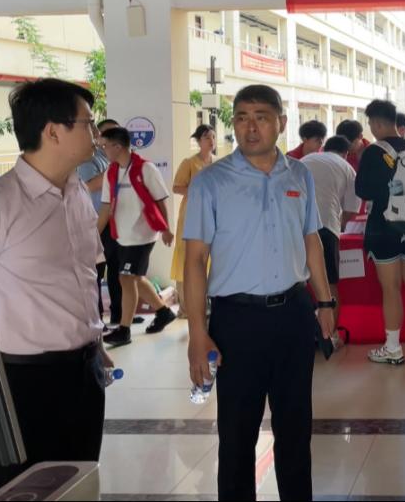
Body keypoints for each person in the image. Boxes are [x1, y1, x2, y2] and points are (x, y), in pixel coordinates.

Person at [0, 79, 112, 499]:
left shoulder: (75, 194)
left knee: (76, 484)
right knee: (14, 489)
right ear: (53, 132)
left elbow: (82, 276)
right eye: (87, 123)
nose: (96, 134)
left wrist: (94, 343)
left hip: (81, 374)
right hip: (14, 384)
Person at [183, 84, 334, 502]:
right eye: (241, 118)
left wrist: (324, 301)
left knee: (295, 430)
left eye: (261, 118)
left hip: (293, 315)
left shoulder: (299, 175)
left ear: (281, 123)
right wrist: (197, 333)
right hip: (237, 321)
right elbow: (194, 261)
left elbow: (311, 241)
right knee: (236, 436)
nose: (250, 128)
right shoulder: (211, 182)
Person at [354, 99, 405, 364]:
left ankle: (392, 348)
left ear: (377, 124)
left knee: (391, 288)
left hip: (383, 226)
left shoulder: (374, 152)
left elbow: (362, 191)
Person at [97, 126, 177, 347]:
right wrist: (94, 235)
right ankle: (163, 312)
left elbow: (160, 200)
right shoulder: (111, 172)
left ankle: (124, 330)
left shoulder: (146, 168)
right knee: (136, 278)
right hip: (122, 234)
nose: (103, 150)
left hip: (143, 234)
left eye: (105, 146)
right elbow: (105, 207)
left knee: (126, 278)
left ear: (118, 146)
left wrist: (166, 229)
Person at [301, 134, 362, 348]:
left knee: (295, 284)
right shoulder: (347, 169)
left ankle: (300, 335)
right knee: (330, 283)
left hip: (295, 226)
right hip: (326, 226)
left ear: (325, 147)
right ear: (345, 153)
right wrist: (340, 226)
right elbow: (351, 211)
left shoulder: (305, 160)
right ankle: (331, 337)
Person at [170, 124, 216, 317]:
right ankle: (186, 307)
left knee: (210, 258)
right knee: (187, 257)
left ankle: (206, 303)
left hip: (212, 215)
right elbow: (176, 187)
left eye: (213, 137)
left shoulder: (217, 163)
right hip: (191, 215)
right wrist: (198, 192)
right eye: (206, 137)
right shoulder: (189, 163)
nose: (211, 141)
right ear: (198, 141)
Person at [77, 117, 121, 323]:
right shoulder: (91, 160)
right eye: (109, 134)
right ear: (99, 136)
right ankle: (97, 318)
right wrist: (114, 170)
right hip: (96, 224)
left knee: (117, 271)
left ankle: (119, 315)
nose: (115, 138)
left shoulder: (115, 160)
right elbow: (88, 186)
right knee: (96, 273)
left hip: (115, 222)